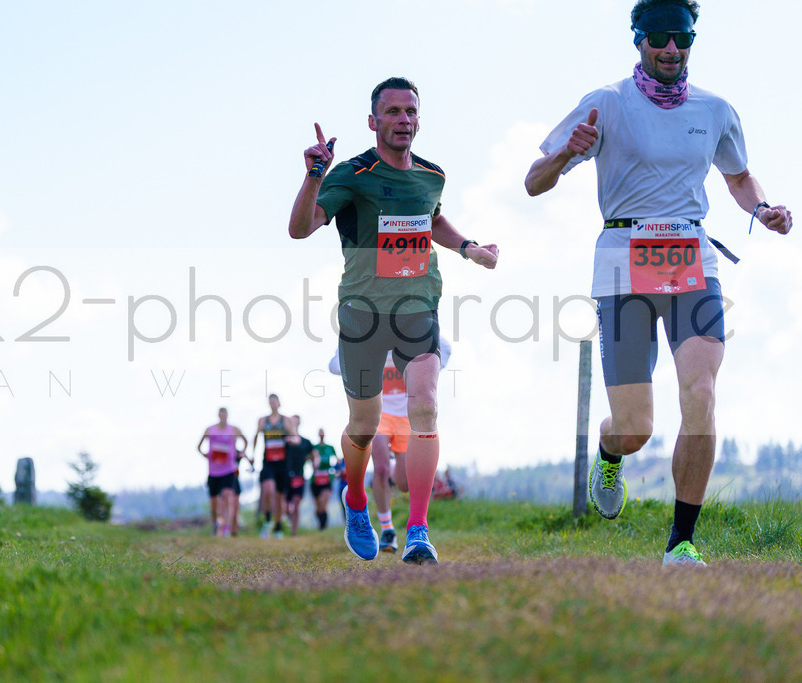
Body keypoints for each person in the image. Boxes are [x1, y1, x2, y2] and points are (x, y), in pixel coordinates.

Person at [525, 0, 791, 566]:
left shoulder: (715, 109)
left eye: (684, 37)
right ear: (639, 39)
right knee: (635, 427)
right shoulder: (606, 103)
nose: (672, 48)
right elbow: (533, 182)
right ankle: (609, 450)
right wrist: (566, 155)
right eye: (661, 37)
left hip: (693, 257)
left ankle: (681, 542)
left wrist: (762, 207)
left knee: (700, 393)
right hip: (623, 259)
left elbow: (739, 176)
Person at [289, 77, 499, 564]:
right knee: (363, 423)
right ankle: (357, 500)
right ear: (373, 121)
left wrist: (469, 248)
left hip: (417, 306)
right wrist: (313, 176)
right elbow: (300, 229)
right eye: (393, 112)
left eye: (410, 112)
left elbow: (433, 219)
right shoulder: (351, 173)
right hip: (362, 312)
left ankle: (419, 529)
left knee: (424, 406)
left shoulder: (432, 175)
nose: (404, 120)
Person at [329, 336, 451, 553]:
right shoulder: (371, 332)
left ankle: (395, 465)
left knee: (404, 483)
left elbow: (444, 347)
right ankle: (387, 529)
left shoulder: (412, 331)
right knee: (381, 467)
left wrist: (430, 368)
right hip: (381, 413)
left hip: (406, 416)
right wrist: (350, 364)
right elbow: (335, 365)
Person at [197, 407, 248, 537]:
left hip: (229, 470)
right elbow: (199, 446)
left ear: (227, 415)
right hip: (213, 471)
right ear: (218, 415)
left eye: (225, 414)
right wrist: (205, 455)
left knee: (228, 496)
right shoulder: (210, 430)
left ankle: (226, 527)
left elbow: (245, 441)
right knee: (214, 503)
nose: (223, 416)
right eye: (221, 414)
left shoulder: (234, 429)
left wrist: (241, 452)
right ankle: (215, 525)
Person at [252, 393, 298, 539]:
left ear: (279, 403)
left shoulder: (286, 421)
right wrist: (252, 455)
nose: (272, 403)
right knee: (267, 490)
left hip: (283, 463)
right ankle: (266, 521)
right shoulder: (262, 421)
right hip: (268, 462)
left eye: (274, 401)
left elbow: (296, 437)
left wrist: (291, 440)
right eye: (269, 401)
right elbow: (255, 436)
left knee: (279, 497)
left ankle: (278, 527)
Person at [284, 415, 316, 537]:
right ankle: (287, 520)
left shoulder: (305, 442)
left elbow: (313, 454)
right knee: (287, 508)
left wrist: (313, 460)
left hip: (299, 475)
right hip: (286, 475)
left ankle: (294, 531)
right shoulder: (285, 439)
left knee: (296, 503)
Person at [310, 428, 338, 530]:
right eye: (320, 433)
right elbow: (308, 460)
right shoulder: (314, 448)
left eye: (323, 433)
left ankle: (323, 526)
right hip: (315, 480)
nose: (321, 435)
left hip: (327, 479)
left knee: (324, 502)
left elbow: (337, 460)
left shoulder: (330, 447)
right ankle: (320, 523)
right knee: (318, 506)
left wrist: (336, 472)